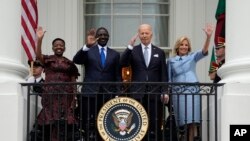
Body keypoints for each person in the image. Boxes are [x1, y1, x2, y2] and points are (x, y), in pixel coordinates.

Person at [120, 24, 168, 140]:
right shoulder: (133, 50)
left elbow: (163, 74)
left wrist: (165, 91)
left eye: (147, 33)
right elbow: (122, 63)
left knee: (154, 124)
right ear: (139, 35)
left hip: (155, 94)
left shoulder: (160, 52)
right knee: (137, 123)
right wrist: (130, 46)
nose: (144, 35)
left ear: (151, 34)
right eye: (142, 33)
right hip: (137, 94)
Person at [167, 24, 214, 141]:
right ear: (178, 47)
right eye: (182, 44)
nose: (184, 47)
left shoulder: (192, 57)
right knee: (181, 122)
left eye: (186, 45)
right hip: (178, 93)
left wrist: (208, 37)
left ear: (189, 47)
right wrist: (168, 94)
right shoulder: (171, 61)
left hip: (193, 90)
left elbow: (204, 51)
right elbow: (169, 79)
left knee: (193, 121)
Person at [73, 27, 121, 139]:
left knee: (106, 120)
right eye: (100, 34)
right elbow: (77, 60)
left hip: (108, 94)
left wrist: (118, 92)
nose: (103, 36)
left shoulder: (115, 54)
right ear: (96, 37)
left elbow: (117, 75)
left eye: (105, 35)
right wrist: (87, 45)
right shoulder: (89, 51)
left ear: (108, 37)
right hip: (90, 92)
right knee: (89, 120)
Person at [35, 26, 80, 141]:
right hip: (50, 95)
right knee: (50, 121)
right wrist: (39, 39)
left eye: (61, 45)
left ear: (64, 48)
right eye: (56, 45)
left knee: (64, 121)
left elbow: (73, 81)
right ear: (53, 47)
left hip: (66, 96)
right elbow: (38, 55)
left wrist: (74, 98)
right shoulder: (48, 59)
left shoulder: (69, 63)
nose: (59, 47)